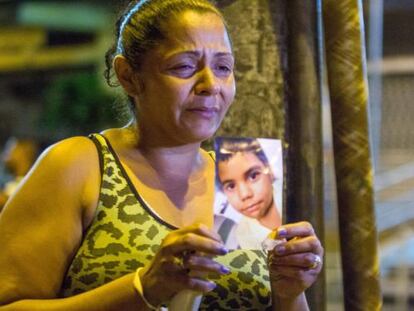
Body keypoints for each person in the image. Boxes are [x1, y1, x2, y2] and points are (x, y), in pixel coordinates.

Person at [0, 1, 324, 310]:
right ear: (128, 76)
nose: (211, 84)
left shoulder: (239, 175)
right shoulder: (80, 165)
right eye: (183, 66)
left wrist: (289, 292)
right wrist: (144, 287)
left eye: (223, 67)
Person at [215, 137, 281, 249]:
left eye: (253, 176)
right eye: (231, 186)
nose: (245, 194)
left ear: (269, 170)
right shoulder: (243, 238)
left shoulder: (294, 192)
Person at [0, 137, 39, 210]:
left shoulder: (32, 184)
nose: (4, 156)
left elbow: (16, 203)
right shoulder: (13, 182)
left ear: (21, 153)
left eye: (8, 151)